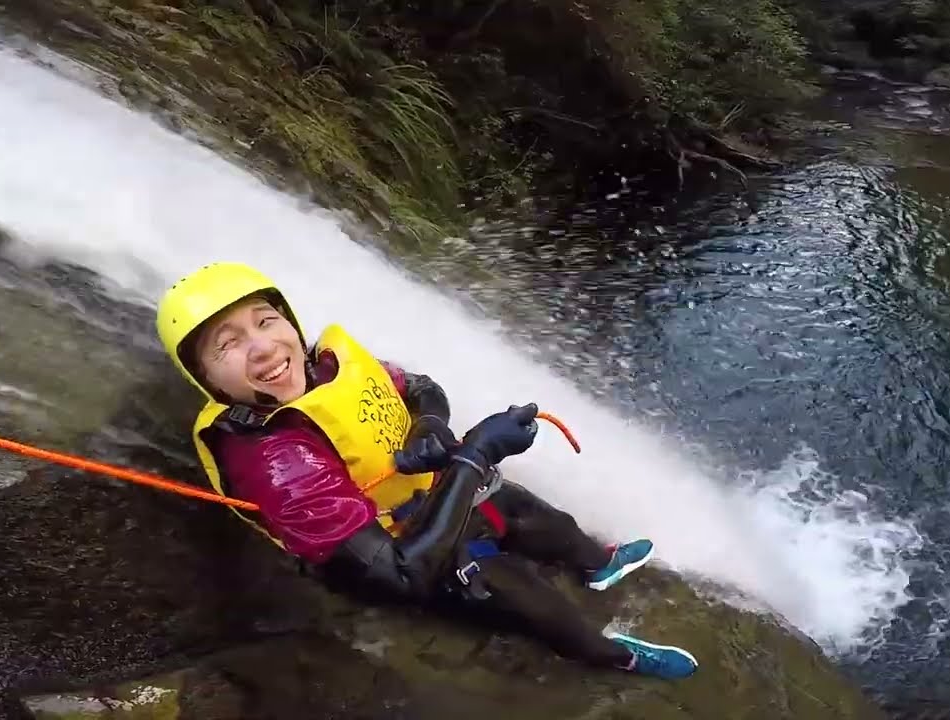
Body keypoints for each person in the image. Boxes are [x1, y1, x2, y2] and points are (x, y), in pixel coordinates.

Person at [156, 261, 698, 679]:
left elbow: (419, 387)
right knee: (515, 587)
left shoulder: (329, 364)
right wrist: (473, 454)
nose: (263, 348)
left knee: (526, 509)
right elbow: (397, 575)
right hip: (397, 554)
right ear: (206, 378)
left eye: (266, 321)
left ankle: (598, 564)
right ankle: (608, 655)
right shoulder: (275, 461)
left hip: (426, 499)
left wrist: (431, 425)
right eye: (228, 345)